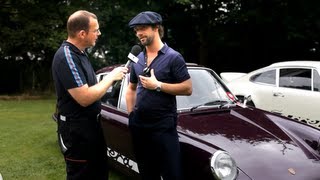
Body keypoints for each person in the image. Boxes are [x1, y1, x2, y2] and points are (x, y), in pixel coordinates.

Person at [52, 10, 128, 180]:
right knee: (82, 175)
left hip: (92, 127)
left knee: (99, 173)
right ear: (82, 33)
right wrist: (111, 77)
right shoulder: (67, 57)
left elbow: (92, 89)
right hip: (77, 131)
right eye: (96, 30)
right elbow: (85, 97)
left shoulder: (81, 54)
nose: (99, 34)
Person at [125, 11, 192, 180]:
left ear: (156, 28)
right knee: (147, 174)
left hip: (163, 127)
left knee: (172, 175)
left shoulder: (173, 57)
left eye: (142, 28)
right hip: (140, 126)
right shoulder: (138, 59)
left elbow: (187, 88)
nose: (138, 33)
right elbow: (131, 88)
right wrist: (131, 115)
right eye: (136, 30)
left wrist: (158, 85)